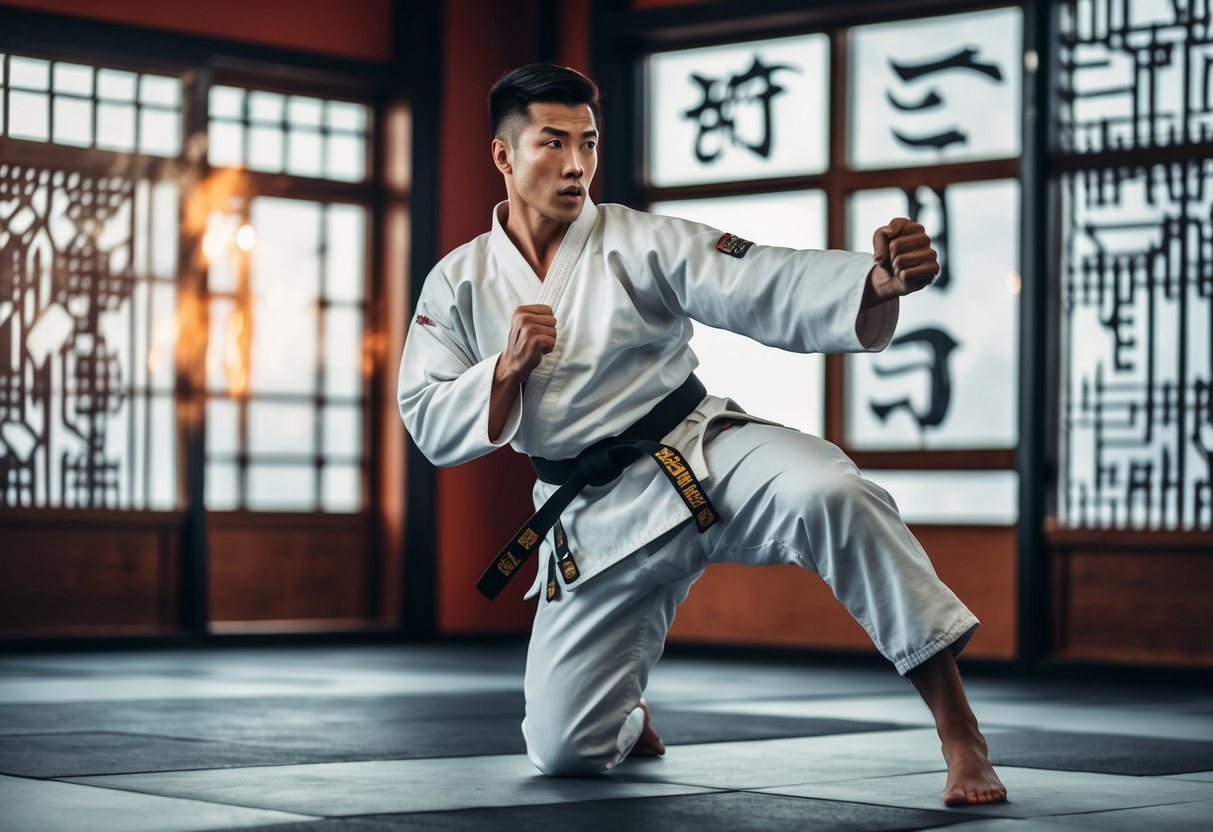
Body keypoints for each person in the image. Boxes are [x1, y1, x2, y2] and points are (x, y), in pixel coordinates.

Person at [397, 63, 1007, 807]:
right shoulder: (456, 282)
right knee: (564, 752)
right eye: (552, 144)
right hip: (590, 517)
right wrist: (504, 367)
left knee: (833, 492)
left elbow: (756, 280)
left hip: (697, 455)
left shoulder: (637, 240)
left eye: (588, 143)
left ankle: (958, 731)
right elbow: (426, 415)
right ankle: (626, 718)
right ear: (503, 156)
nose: (575, 164)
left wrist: (870, 285)